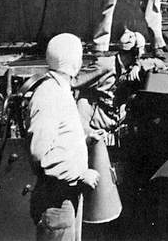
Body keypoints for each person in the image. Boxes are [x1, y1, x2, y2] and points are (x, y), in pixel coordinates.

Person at [24, 33, 100, 241]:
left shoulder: (60, 89)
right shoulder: (50, 94)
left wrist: (85, 139)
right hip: (56, 202)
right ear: (73, 62)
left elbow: (58, 139)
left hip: (65, 197)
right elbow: (40, 153)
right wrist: (79, 174)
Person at [74, 29, 166, 135]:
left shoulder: (132, 66)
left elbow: (160, 64)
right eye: (141, 51)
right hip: (96, 121)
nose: (143, 53)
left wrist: (138, 65)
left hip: (118, 120)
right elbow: (75, 81)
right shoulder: (104, 65)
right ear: (135, 52)